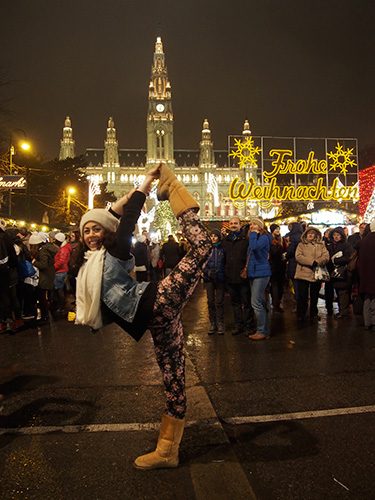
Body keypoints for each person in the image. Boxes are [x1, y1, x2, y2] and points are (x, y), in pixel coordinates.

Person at [75, 163, 212, 470]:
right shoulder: (88, 262)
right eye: (86, 230)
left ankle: (174, 187)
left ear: (107, 232)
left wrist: (147, 183)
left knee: (203, 246)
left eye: (97, 228)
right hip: (156, 322)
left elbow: (127, 217)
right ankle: (168, 450)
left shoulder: (117, 250)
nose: (92, 234)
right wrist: (114, 206)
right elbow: (109, 211)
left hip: (158, 303)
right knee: (173, 380)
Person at [222, 216, 255, 336]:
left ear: (240, 225)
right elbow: (223, 259)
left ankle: (249, 326)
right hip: (230, 277)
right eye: (231, 223)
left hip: (243, 277)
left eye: (236, 223)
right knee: (235, 304)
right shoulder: (225, 241)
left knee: (247, 303)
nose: (233, 225)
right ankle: (238, 325)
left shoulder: (246, 240)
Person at [294, 226, 329, 322]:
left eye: (313, 233)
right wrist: (311, 262)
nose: (310, 235)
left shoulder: (321, 245)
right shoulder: (301, 245)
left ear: (316, 235)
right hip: (302, 273)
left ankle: (313, 313)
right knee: (302, 296)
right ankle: (301, 314)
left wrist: (318, 261)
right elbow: (298, 256)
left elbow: (326, 256)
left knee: (314, 296)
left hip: (315, 274)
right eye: (309, 233)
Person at [247, 217, 272, 340]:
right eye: (251, 224)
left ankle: (261, 331)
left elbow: (254, 247)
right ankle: (265, 329)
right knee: (260, 301)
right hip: (254, 272)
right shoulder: (257, 237)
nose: (252, 226)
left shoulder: (263, 238)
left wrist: (253, 234)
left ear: (260, 226)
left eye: (255, 224)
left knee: (255, 302)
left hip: (261, 273)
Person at [327, 227, 354, 319]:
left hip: (343, 272)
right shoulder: (330, 245)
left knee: (343, 292)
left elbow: (349, 257)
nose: (336, 237)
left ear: (342, 236)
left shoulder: (346, 245)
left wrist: (336, 260)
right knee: (338, 292)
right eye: (334, 235)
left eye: (338, 235)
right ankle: (340, 311)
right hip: (333, 273)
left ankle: (343, 312)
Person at [30, 232, 58, 322]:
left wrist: (34, 262)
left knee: (42, 297)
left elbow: (43, 265)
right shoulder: (48, 248)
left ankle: (44, 316)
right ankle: (45, 315)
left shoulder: (43, 251)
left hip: (44, 277)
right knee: (43, 297)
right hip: (48, 275)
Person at [203, 229, 225, 335]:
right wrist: (207, 271)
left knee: (219, 302)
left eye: (215, 236)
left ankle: (220, 323)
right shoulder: (206, 249)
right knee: (210, 301)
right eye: (211, 236)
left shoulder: (223, 249)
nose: (213, 238)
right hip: (209, 278)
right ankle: (213, 323)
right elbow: (202, 263)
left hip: (220, 278)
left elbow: (225, 262)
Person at [358, 220, 375, 330]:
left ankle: (367, 321)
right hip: (373, 274)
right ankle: (374, 322)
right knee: (374, 298)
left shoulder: (364, 240)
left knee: (367, 298)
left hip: (365, 274)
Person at [269, 223, 286, 313]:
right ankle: (276, 305)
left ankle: (277, 302)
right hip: (273, 265)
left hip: (281, 265)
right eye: (276, 229)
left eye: (278, 229)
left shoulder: (282, 239)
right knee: (275, 285)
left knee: (280, 286)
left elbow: (285, 250)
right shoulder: (270, 240)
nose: (278, 231)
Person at [53, 232, 71, 314]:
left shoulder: (64, 249)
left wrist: (54, 267)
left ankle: (61, 307)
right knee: (60, 290)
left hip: (60, 271)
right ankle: (61, 305)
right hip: (62, 271)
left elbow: (61, 261)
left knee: (59, 290)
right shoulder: (65, 247)